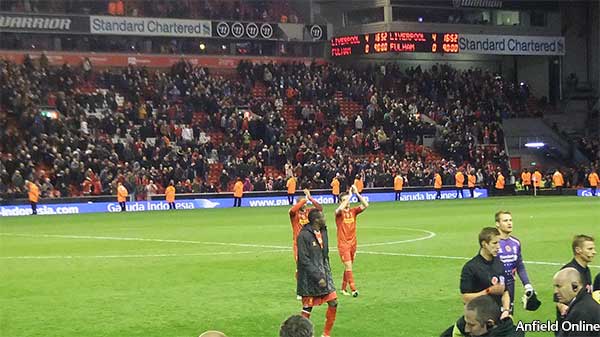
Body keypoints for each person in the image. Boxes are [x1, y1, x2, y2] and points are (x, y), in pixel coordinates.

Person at [442, 227, 511, 337]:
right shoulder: (471, 267)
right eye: (495, 243)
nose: (498, 247)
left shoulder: (499, 263)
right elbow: (465, 298)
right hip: (476, 321)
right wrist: (488, 291)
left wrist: (506, 310)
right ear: (484, 244)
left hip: (496, 318)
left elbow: (505, 291)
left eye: (499, 243)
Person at [297, 208, 337, 337]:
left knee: (334, 302)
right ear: (316, 220)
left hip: (325, 273)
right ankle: (300, 334)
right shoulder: (303, 235)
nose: (325, 219)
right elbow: (303, 259)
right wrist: (317, 276)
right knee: (307, 308)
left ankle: (326, 334)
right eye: (323, 217)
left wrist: (325, 272)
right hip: (309, 278)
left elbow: (324, 254)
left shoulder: (323, 231)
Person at [494, 211, 535, 313]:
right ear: (497, 224)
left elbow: (519, 265)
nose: (509, 223)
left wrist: (527, 285)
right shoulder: (493, 243)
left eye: (510, 220)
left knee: (508, 316)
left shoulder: (515, 243)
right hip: (495, 287)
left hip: (510, 285)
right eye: (505, 220)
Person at [335, 185, 368, 297]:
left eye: (348, 200)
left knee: (348, 267)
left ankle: (343, 289)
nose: (347, 202)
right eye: (344, 200)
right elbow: (340, 208)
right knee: (349, 267)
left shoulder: (353, 211)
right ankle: (353, 289)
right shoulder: (339, 213)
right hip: (343, 244)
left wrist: (357, 194)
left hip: (353, 243)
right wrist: (350, 195)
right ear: (340, 202)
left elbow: (366, 205)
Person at [556, 235, 596, 328]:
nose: (594, 252)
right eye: (590, 249)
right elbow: (558, 298)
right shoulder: (568, 272)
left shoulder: (585, 269)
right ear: (578, 250)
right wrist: (561, 306)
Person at [290, 189, 324, 294]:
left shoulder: (309, 212)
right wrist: (304, 200)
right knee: (301, 267)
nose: (304, 205)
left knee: (313, 265)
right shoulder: (294, 214)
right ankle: (300, 289)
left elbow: (320, 208)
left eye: (305, 203)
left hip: (311, 243)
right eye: (302, 203)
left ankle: (313, 287)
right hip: (299, 244)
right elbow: (292, 210)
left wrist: (310, 198)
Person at [553, 268, 600, 337]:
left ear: (575, 286)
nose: (556, 291)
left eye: (559, 286)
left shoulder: (582, 312)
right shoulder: (582, 303)